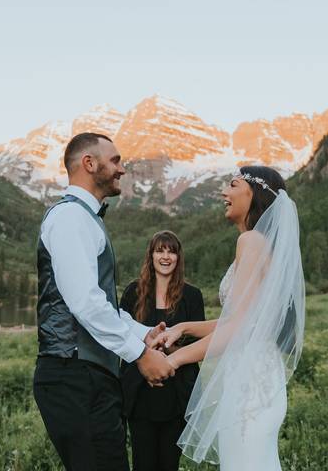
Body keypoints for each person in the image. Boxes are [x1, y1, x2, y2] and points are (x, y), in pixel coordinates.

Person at [33, 132, 176, 471]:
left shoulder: (85, 218)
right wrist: (140, 354)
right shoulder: (71, 217)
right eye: (115, 161)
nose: (122, 169)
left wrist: (143, 333)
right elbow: (84, 302)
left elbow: (100, 302)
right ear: (89, 163)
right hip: (74, 376)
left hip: (88, 377)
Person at [153, 166, 305, 470]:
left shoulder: (250, 241)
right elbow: (243, 319)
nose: (224, 192)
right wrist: (183, 327)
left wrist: (174, 359)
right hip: (258, 376)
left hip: (250, 385)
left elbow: (238, 327)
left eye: (232, 185)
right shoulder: (263, 244)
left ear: (254, 193)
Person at [119, 231, 204, 471]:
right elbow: (121, 335)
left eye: (171, 251)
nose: (165, 257)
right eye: (160, 250)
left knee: (169, 464)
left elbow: (198, 343)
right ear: (151, 255)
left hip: (176, 393)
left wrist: (165, 348)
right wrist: (147, 350)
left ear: (178, 258)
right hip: (140, 392)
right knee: (143, 463)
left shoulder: (192, 296)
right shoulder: (133, 292)